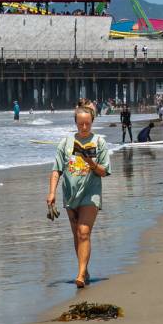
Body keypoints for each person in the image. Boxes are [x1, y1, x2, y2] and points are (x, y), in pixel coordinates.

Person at [47, 103, 110, 288]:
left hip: (90, 194)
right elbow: (56, 170)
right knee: (77, 233)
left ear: (92, 122)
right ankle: (84, 268)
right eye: (81, 124)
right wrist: (51, 192)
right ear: (75, 122)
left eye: (87, 124)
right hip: (70, 195)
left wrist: (91, 162)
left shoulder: (99, 142)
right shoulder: (66, 143)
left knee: (84, 231)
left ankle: (81, 274)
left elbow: (104, 172)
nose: (84, 127)